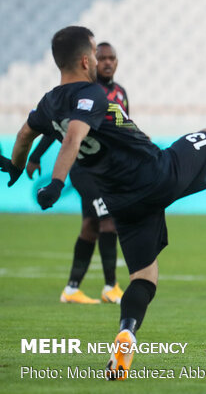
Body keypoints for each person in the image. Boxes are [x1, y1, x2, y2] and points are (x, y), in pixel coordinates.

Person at [0, 25, 206, 380]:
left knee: (144, 275)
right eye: (95, 53)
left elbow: (23, 135)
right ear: (84, 59)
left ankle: (126, 333)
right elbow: (74, 139)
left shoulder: (48, 102)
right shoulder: (91, 94)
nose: (98, 59)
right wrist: (56, 182)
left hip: (122, 201)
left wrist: (14, 166)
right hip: (156, 174)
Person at [26, 42, 129, 304]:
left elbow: (124, 128)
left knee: (91, 225)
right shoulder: (85, 93)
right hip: (86, 170)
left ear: (116, 62)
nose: (107, 62)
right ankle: (111, 287)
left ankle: (72, 289)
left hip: (109, 169)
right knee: (109, 220)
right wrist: (35, 156)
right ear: (91, 62)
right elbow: (57, 128)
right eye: (101, 58)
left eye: (111, 58)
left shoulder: (119, 93)